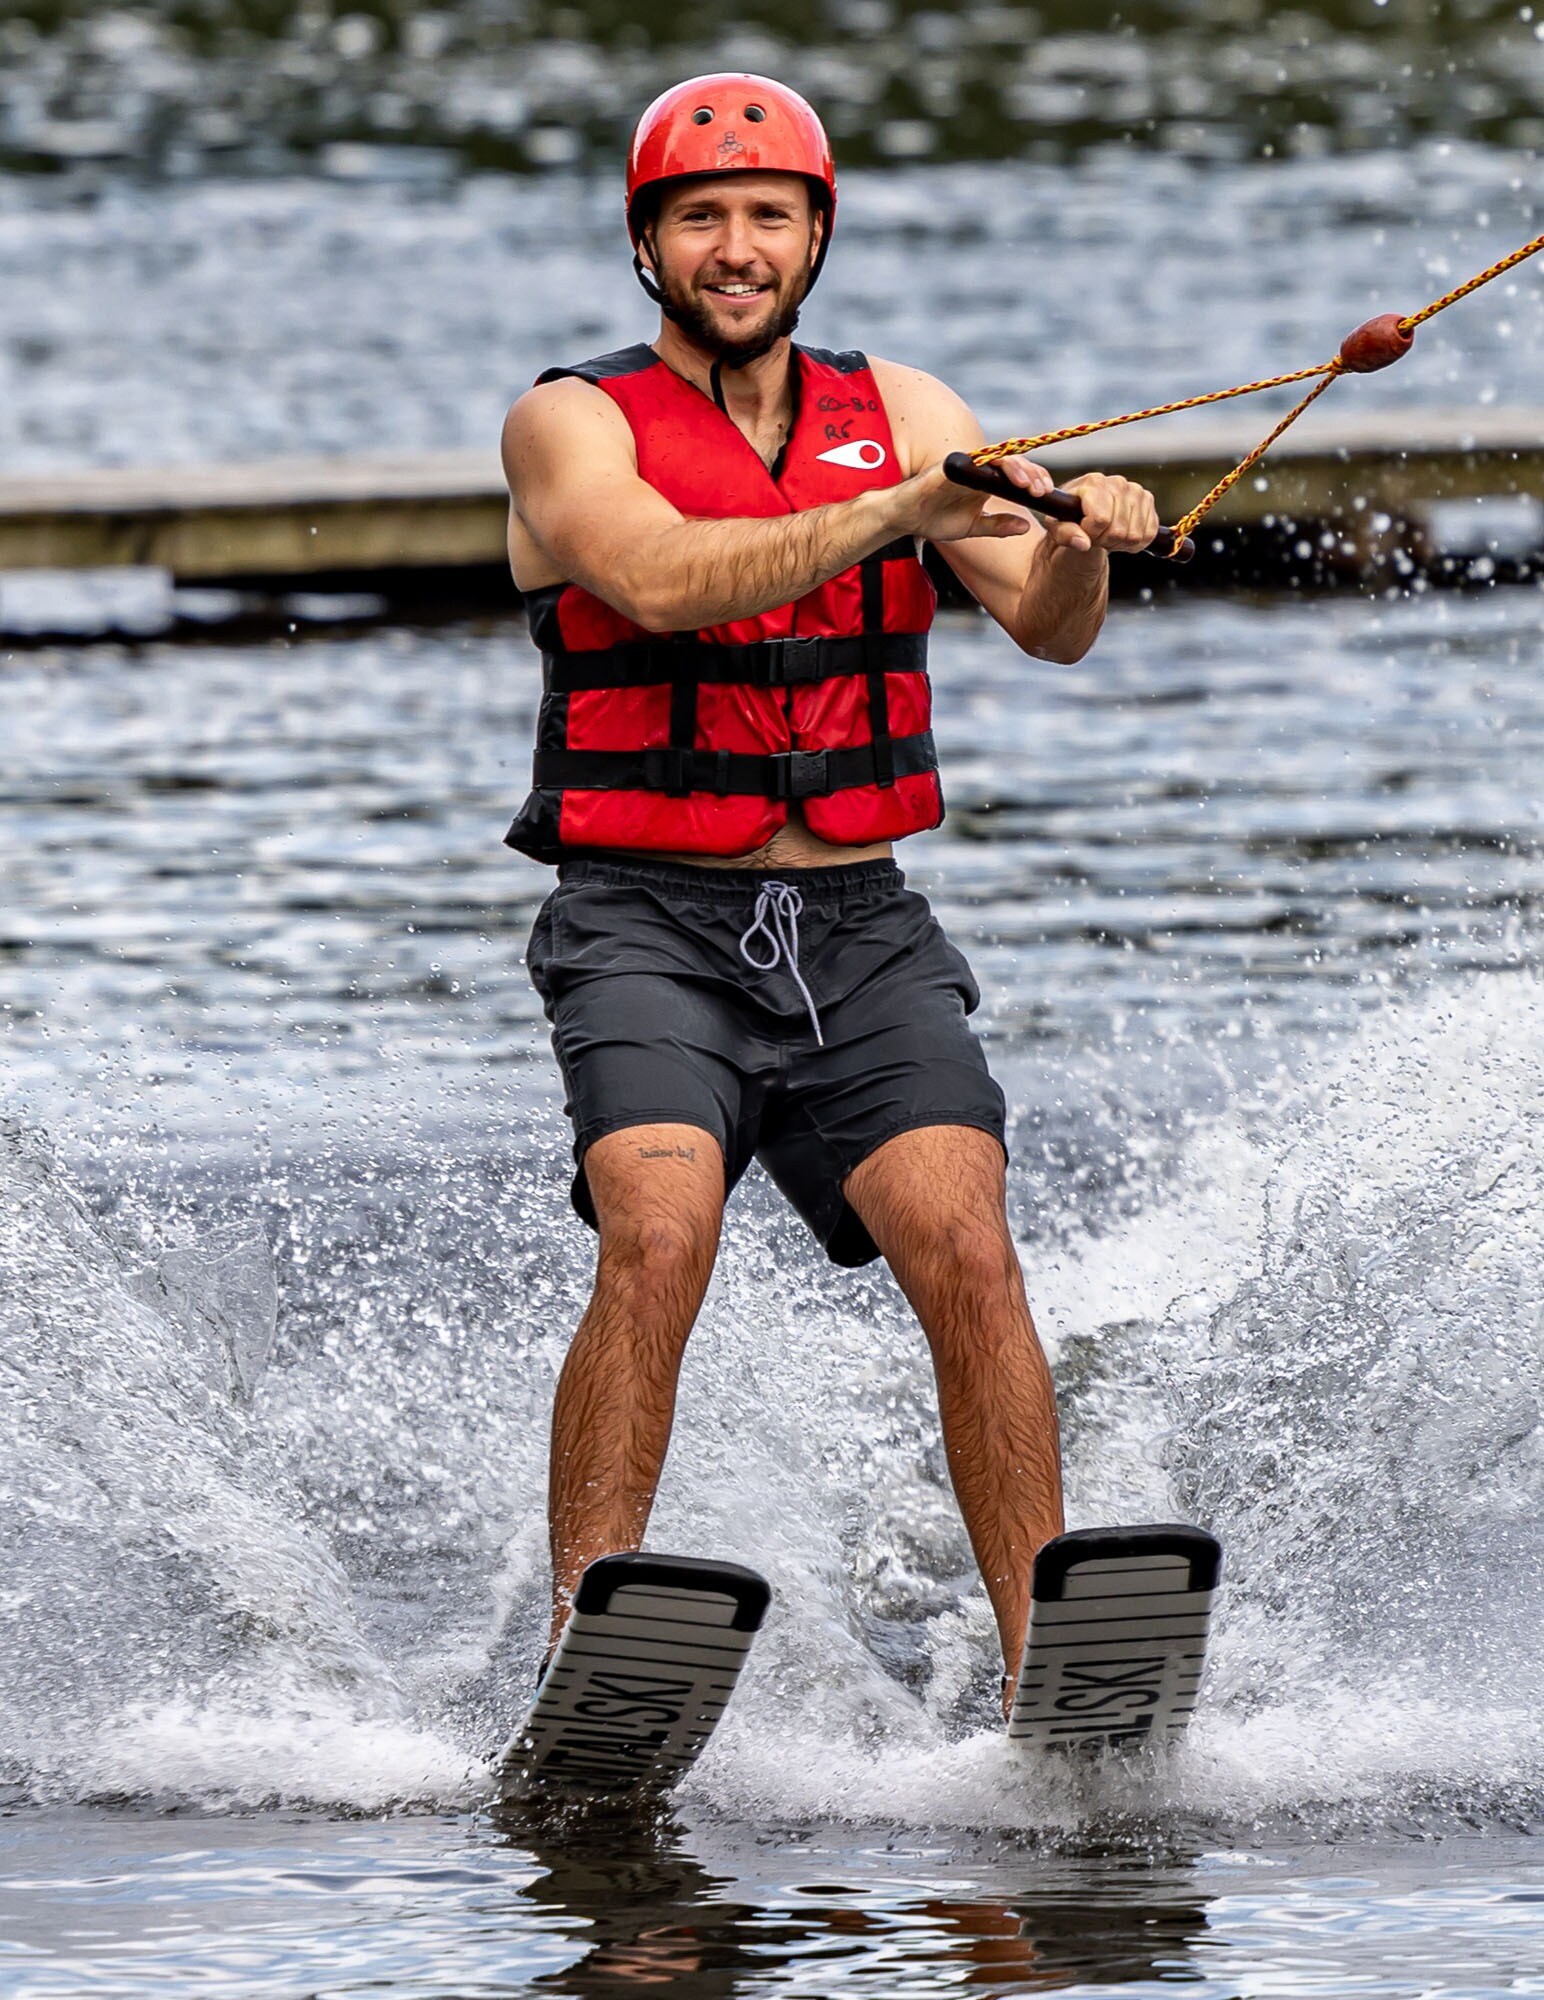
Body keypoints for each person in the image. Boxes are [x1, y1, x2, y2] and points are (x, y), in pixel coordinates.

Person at [499, 73, 1163, 1702]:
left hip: (859, 928)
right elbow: (657, 577)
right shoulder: (569, 423)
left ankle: (1049, 1672)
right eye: (700, 219)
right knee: (658, 1234)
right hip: (645, 923)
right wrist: (896, 508)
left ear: (816, 237)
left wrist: (1084, 541)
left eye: (768, 217)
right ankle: (588, 1646)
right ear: (647, 244)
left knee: (968, 1245)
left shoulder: (911, 408)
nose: (736, 248)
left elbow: (1047, 625)